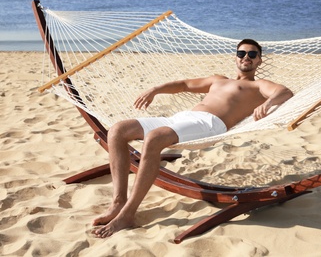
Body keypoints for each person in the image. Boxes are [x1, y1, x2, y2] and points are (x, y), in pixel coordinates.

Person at [92, 39, 293, 238]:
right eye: (241, 54)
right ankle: (118, 202)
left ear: (259, 61)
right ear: (235, 58)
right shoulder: (218, 79)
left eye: (252, 54)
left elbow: (284, 92)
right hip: (182, 118)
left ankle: (128, 214)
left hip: (210, 124)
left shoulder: (258, 85)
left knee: (154, 138)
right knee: (118, 130)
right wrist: (155, 89)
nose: (246, 58)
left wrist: (268, 104)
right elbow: (185, 84)